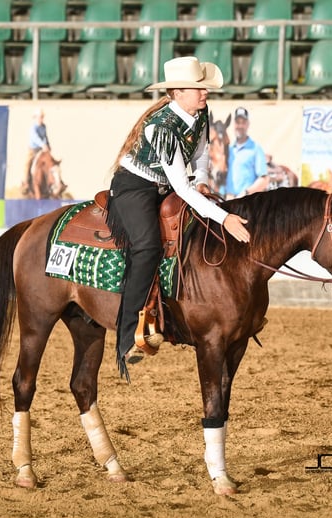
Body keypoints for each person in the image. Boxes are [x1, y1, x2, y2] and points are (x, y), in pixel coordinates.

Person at [105, 56, 251, 369]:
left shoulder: (200, 113)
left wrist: (202, 182)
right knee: (147, 248)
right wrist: (223, 216)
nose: (205, 92)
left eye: (204, 87)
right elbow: (180, 189)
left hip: (166, 186)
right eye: (196, 88)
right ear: (177, 93)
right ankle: (127, 336)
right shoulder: (162, 128)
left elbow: (200, 158)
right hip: (134, 187)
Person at [225, 107, 269, 199]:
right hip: (228, 201)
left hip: (247, 202)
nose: (240, 126)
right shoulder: (229, 149)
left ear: (248, 124)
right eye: (238, 122)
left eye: (243, 122)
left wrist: (246, 192)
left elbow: (264, 179)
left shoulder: (255, 148)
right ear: (234, 124)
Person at [21, 109, 53, 196]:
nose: (41, 118)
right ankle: (26, 183)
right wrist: (43, 144)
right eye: (40, 117)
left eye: (42, 117)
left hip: (42, 150)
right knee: (27, 164)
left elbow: (45, 136)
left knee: (52, 162)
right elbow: (35, 138)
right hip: (33, 150)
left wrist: (48, 144)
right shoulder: (33, 128)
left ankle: (54, 183)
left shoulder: (44, 126)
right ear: (36, 117)